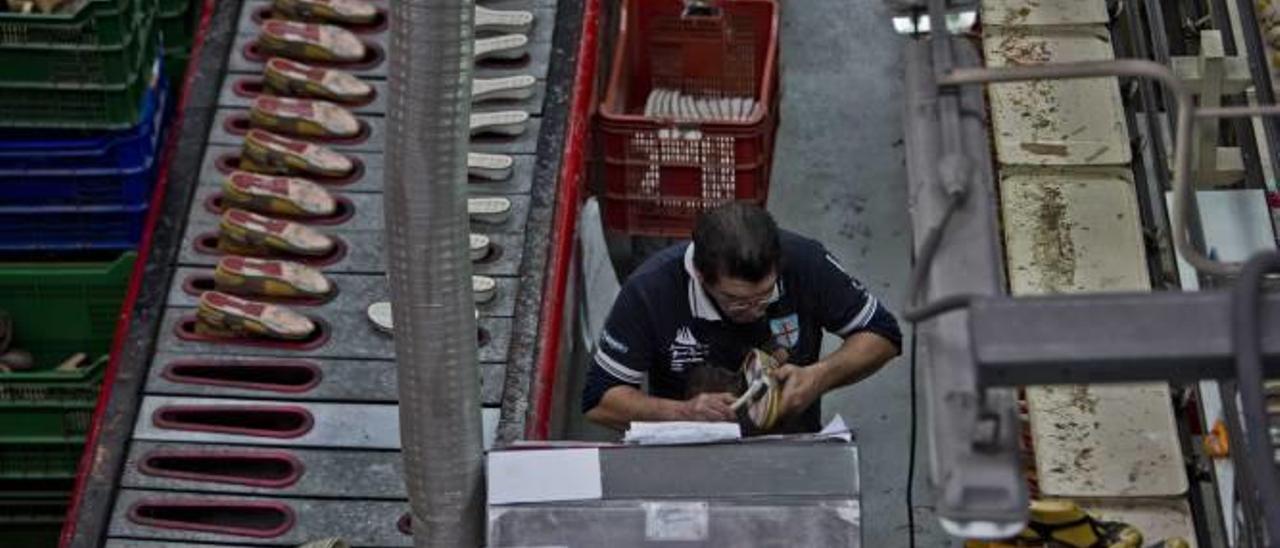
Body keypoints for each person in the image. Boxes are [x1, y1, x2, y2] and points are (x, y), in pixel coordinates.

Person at [582, 202, 902, 434]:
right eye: (735, 300)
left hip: (790, 445)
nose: (755, 310)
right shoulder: (650, 291)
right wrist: (680, 412)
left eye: (765, 295)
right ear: (700, 276)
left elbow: (881, 333)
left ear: (779, 264)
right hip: (689, 451)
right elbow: (601, 399)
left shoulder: (806, 262)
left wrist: (820, 377)